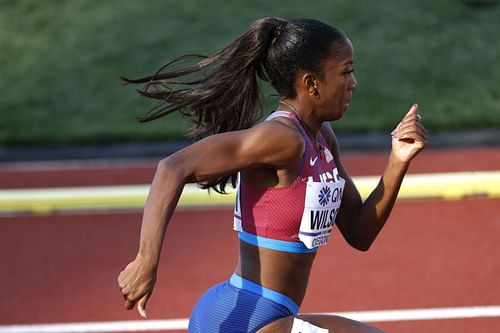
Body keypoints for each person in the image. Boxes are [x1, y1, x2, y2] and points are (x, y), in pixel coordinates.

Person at [117, 17, 428, 333]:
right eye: (346, 72)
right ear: (311, 83)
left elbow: (360, 232)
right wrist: (146, 260)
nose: (354, 83)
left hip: (271, 320)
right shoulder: (282, 139)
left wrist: (397, 161)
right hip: (242, 319)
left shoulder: (321, 138)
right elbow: (173, 167)